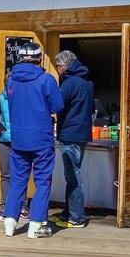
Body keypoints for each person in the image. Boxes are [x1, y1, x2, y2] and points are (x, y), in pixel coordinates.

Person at [0, 44, 65, 239]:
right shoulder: (46, 79)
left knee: (18, 181)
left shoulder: (11, 80)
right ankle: (36, 225)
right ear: (40, 58)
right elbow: (57, 106)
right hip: (41, 137)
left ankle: (10, 222)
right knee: (42, 181)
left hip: (18, 137)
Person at [53, 50, 95, 230]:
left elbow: (56, 104)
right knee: (72, 174)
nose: (58, 71)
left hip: (70, 134)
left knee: (73, 176)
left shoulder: (70, 83)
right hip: (82, 134)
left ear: (63, 67)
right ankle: (68, 212)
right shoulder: (87, 82)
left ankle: (76, 217)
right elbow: (91, 107)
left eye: (58, 68)